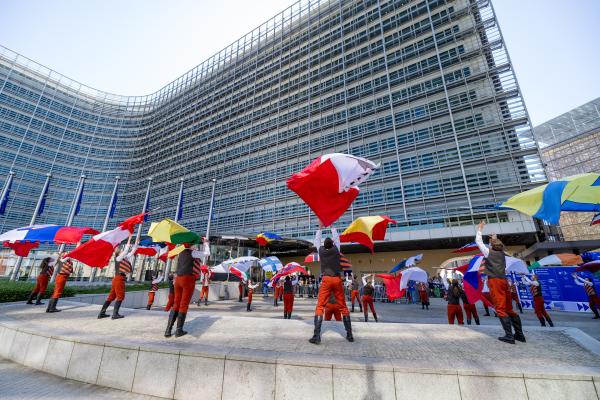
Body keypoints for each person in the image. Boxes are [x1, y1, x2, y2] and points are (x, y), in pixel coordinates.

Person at [476, 221, 525, 344]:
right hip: (504, 280)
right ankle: (519, 335)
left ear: (491, 246)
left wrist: (480, 229)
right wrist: (494, 238)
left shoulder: (489, 252)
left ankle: (509, 336)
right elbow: (495, 245)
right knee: (509, 308)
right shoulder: (502, 253)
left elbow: (479, 242)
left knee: (500, 308)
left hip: (495, 281)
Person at [308, 222, 353, 344]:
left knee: (320, 306)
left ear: (324, 245)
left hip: (326, 279)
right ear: (333, 244)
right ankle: (349, 334)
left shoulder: (321, 251)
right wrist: (332, 226)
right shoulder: (336, 250)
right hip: (337, 279)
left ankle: (317, 336)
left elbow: (316, 240)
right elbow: (337, 238)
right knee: (343, 306)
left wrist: (320, 227)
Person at [164, 245, 203, 338]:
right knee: (184, 304)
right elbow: (207, 253)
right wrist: (206, 244)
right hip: (187, 279)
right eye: (194, 245)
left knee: (176, 303)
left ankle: (168, 330)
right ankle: (179, 330)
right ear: (191, 244)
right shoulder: (192, 252)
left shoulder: (180, 251)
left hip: (178, 279)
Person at [98, 244, 137, 320]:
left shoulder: (124, 258)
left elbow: (131, 253)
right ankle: (115, 314)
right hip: (119, 279)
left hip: (118, 278)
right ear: (119, 252)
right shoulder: (118, 258)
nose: (123, 251)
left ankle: (101, 313)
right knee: (120, 296)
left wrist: (135, 245)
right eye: (121, 250)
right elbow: (126, 251)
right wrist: (128, 243)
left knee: (111, 297)